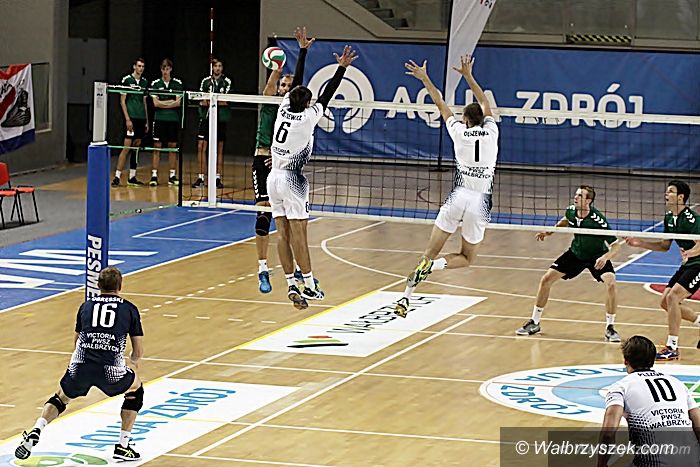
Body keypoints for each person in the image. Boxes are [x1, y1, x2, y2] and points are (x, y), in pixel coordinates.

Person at [394, 55, 497, 318]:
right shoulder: (492, 132)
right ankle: (436, 267)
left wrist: (425, 78)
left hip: (458, 197)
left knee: (428, 252)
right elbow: (485, 101)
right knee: (467, 258)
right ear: (482, 119)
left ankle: (406, 297)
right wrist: (469, 76)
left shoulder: (458, 132)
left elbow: (439, 102)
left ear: (466, 120)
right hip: (480, 201)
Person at [14, 267, 145, 461]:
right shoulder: (129, 308)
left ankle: (37, 429)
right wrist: (133, 362)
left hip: (80, 365)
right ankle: (123, 446)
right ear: (120, 285)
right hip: (110, 370)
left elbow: (76, 342)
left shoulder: (86, 306)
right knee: (136, 390)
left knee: (60, 398)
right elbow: (138, 351)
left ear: (98, 285)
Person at [268, 39, 358, 309]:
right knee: (300, 234)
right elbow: (329, 92)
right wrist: (342, 68)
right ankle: (308, 283)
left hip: (273, 177)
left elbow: (296, 82)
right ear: (307, 103)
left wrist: (303, 51)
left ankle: (290, 284)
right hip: (292, 180)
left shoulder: (283, 109)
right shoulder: (308, 117)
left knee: (282, 235)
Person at [516, 185, 622, 342]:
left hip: (596, 257)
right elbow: (564, 221)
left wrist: (605, 257)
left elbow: (616, 245)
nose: (575, 197)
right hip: (576, 254)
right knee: (546, 279)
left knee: (611, 284)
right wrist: (548, 232)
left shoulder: (598, 220)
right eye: (576, 194)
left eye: (580, 196)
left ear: (588, 201)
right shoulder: (571, 211)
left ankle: (610, 328)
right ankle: (534, 322)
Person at [253, 27, 310, 294]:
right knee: (263, 217)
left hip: (281, 167)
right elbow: (270, 85)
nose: (285, 88)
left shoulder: (292, 110)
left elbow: (298, 85)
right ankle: (262, 269)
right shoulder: (269, 102)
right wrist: (277, 66)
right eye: (282, 85)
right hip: (262, 159)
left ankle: (297, 270)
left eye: (289, 86)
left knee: (289, 222)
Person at [598, 335, 700, 467]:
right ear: (653, 360)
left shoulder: (621, 387)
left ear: (625, 361)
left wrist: (601, 464)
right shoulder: (677, 383)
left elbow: (608, 432)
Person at [626, 180, 700, 360]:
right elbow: (664, 246)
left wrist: (690, 253)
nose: (666, 194)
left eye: (671, 191)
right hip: (689, 263)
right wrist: (640, 243)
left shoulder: (692, 219)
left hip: (698, 263)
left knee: (673, 297)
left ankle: (672, 347)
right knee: (665, 302)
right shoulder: (669, 218)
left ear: (680, 197)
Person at [192, 58, 232, 189]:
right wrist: (212, 101)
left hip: (220, 119)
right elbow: (201, 100)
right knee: (201, 147)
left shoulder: (226, 82)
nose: (218, 68)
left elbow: (225, 101)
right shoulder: (206, 81)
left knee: (218, 149)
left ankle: (217, 178)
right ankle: (201, 177)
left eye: (220, 66)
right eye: (215, 66)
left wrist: (211, 101)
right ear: (212, 67)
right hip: (206, 118)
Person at [112, 58, 148, 187]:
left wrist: (147, 121)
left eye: (142, 66)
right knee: (126, 147)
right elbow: (122, 101)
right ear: (134, 67)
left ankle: (132, 176)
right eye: (139, 66)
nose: (141, 68)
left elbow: (144, 102)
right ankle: (117, 176)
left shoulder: (144, 82)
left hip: (141, 118)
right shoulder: (127, 80)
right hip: (131, 117)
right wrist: (127, 119)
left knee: (136, 147)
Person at [149, 58, 183, 186]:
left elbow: (178, 102)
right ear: (161, 69)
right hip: (159, 119)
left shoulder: (177, 84)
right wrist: (170, 102)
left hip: (173, 120)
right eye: (163, 69)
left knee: (172, 147)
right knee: (157, 146)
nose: (165, 71)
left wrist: (164, 103)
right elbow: (155, 103)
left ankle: (172, 176)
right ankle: (154, 175)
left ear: (171, 69)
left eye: (167, 69)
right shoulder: (155, 84)